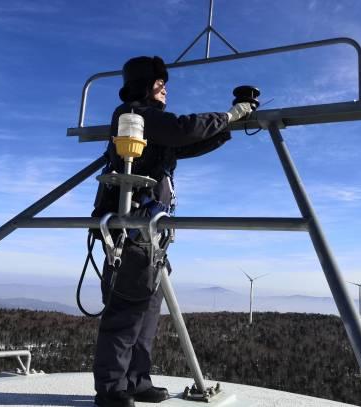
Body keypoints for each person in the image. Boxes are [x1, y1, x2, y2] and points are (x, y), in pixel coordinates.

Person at [92, 55, 252, 407]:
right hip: (129, 230)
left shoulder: (149, 125)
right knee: (125, 314)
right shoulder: (132, 115)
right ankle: (111, 391)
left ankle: (136, 381)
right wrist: (229, 115)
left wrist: (228, 126)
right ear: (142, 85)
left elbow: (188, 142)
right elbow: (182, 129)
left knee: (147, 313)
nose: (164, 88)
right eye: (158, 82)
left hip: (150, 234)